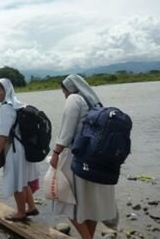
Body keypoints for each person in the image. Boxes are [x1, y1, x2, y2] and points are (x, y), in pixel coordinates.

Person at [50, 74, 118, 239]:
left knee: (66, 200)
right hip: (95, 160)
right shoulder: (94, 102)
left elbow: (66, 131)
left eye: (63, 91)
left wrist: (56, 153)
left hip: (77, 158)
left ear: (67, 89)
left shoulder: (73, 99)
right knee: (90, 203)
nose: (64, 95)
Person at [0, 78, 39, 221]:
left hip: (14, 150)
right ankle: (31, 207)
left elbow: (3, 135)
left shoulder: (6, 108)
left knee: (17, 182)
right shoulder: (18, 105)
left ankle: (20, 212)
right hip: (23, 148)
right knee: (22, 180)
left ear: (7, 90)